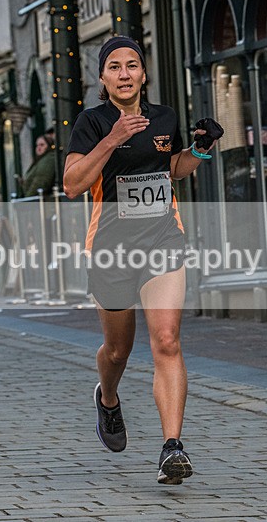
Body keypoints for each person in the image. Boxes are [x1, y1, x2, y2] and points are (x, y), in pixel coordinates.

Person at [62, 36, 219, 485]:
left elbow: (171, 170)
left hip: (162, 240)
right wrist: (111, 140)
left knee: (166, 340)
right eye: (115, 67)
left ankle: (172, 447)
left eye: (133, 65)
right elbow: (73, 184)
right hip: (110, 247)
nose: (125, 73)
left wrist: (200, 150)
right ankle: (107, 397)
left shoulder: (164, 117)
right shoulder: (91, 123)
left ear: (143, 73)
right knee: (118, 349)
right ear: (103, 78)